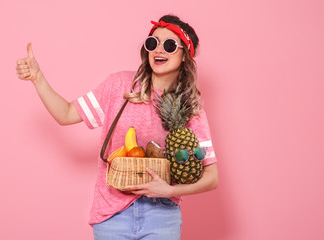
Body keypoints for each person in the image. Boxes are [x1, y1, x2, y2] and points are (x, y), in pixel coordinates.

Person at [16, 14, 218, 240]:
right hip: (111, 214)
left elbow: (212, 177)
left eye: (169, 45)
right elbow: (66, 114)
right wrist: (38, 78)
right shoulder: (120, 85)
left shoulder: (190, 107)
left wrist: (170, 190)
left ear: (184, 56)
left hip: (162, 215)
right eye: (153, 43)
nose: (158, 50)